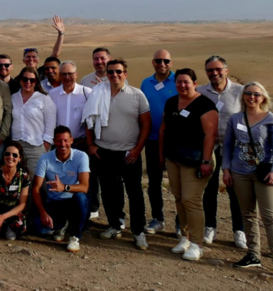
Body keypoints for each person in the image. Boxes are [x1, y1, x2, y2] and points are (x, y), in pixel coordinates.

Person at [223, 83, 273, 280]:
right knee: (247, 214)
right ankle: (253, 254)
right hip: (239, 172)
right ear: (243, 96)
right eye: (248, 93)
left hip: (264, 173)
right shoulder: (235, 119)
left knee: (271, 217)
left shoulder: (271, 119)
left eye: (256, 94)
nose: (252, 97)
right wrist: (226, 169)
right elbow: (227, 146)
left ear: (263, 98)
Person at [85, 59, 151, 250]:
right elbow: (89, 119)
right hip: (104, 152)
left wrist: (138, 149)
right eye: (111, 72)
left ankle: (138, 232)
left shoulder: (137, 95)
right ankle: (114, 225)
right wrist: (91, 145)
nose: (114, 75)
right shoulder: (98, 94)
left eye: (118, 72)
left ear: (125, 74)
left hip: (129, 152)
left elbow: (146, 124)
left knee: (135, 193)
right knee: (109, 192)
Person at [160, 68, 218, 262]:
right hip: (174, 158)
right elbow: (163, 128)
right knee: (179, 198)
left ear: (195, 82)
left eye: (186, 82)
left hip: (196, 160)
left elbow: (210, 135)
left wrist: (206, 160)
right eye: (179, 82)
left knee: (191, 200)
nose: (182, 85)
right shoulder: (171, 102)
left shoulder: (205, 105)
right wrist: (162, 155)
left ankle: (197, 244)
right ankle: (184, 237)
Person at [197, 55, 246, 248]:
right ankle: (210, 227)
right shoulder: (200, 91)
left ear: (226, 70)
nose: (214, 73)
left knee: (236, 189)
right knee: (209, 188)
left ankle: (239, 230)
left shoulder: (241, 92)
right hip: (209, 148)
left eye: (218, 69)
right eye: (210, 70)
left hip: (234, 148)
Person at [32, 126, 91, 253]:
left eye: (65, 140)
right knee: (38, 227)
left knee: (81, 197)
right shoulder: (45, 158)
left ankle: (75, 236)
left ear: (71, 140)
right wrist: (43, 212)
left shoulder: (81, 156)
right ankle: (61, 225)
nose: (62, 144)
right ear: (54, 141)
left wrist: (64, 187)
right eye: (59, 141)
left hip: (73, 202)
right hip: (54, 202)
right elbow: (36, 188)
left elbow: (85, 187)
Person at [49, 61, 96, 216]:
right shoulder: (53, 94)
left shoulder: (86, 92)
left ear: (76, 74)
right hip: (59, 146)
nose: (67, 77)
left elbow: (92, 120)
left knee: (84, 182)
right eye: (63, 74)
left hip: (81, 145)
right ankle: (63, 216)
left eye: (70, 74)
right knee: (60, 179)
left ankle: (85, 215)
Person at [139, 49, 178, 235]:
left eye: (165, 60)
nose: (162, 64)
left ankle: (181, 222)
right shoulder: (146, 83)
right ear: (152, 62)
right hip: (152, 140)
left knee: (179, 183)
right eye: (158, 60)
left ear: (171, 62)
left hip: (175, 141)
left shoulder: (179, 81)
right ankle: (157, 218)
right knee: (154, 182)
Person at [11, 66, 56, 174]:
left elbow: (51, 123)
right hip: (16, 144)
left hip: (36, 145)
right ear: (20, 80)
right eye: (25, 79)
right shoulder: (13, 97)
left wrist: (46, 143)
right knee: (18, 177)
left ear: (36, 81)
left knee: (36, 179)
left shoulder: (44, 98)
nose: (28, 82)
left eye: (32, 80)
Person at [21, 15, 66, 80]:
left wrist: (61, 33)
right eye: (28, 57)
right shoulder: (19, 78)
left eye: (34, 57)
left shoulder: (43, 72)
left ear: (38, 60)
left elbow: (55, 54)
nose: (31, 59)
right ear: (23, 60)